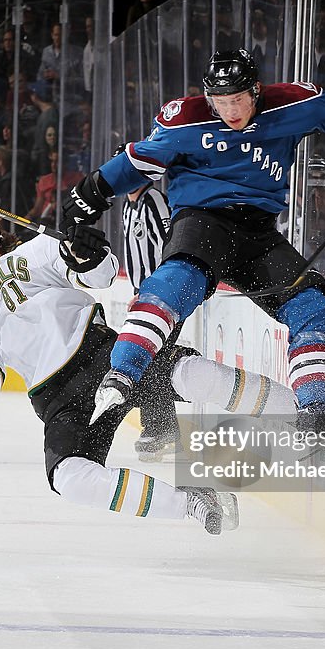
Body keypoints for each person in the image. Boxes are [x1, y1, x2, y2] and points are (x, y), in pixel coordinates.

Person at [61, 49, 325, 440]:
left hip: (259, 234)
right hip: (202, 222)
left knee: (311, 302)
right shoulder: (185, 117)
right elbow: (136, 162)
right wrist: (86, 197)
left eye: (238, 99)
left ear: (256, 91)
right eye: (221, 101)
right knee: (175, 282)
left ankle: (316, 413)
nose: (231, 111)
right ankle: (122, 376)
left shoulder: (292, 103)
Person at [0, 207, 298, 534]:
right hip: (58, 400)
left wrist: (87, 253)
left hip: (103, 357)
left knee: (189, 373)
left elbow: (102, 275)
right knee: (69, 477)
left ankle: (299, 413)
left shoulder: (38, 249)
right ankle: (194, 503)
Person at [120, 180, 179, 461]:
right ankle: (164, 429)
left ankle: (160, 429)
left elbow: (171, 246)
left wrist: (153, 291)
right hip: (145, 297)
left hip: (165, 295)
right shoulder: (127, 206)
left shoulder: (154, 199)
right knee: (153, 358)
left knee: (152, 357)